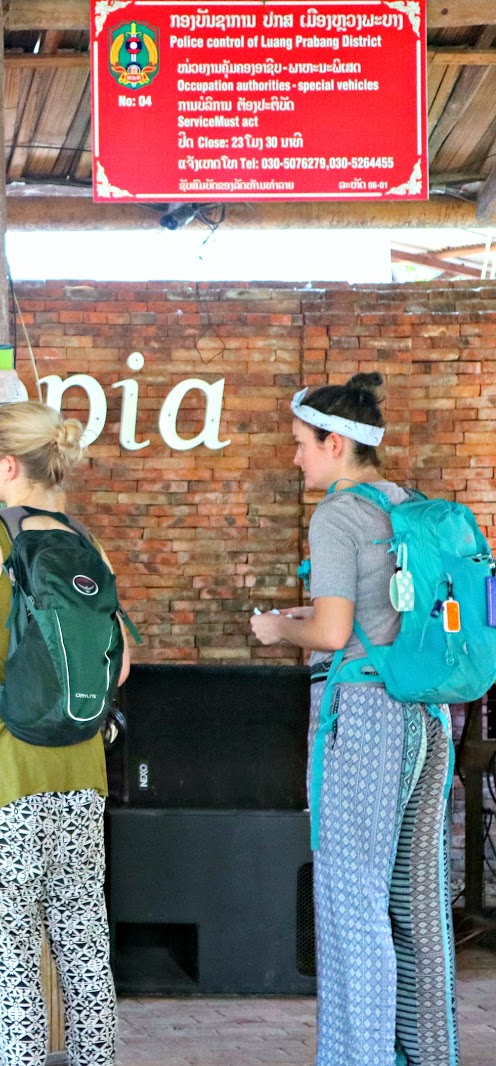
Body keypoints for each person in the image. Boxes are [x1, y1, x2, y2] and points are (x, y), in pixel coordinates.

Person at [250, 374, 458, 1066]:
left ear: (335, 444)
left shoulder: (338, 515)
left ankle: (360, 1058)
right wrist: (311, 617)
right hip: (429, 719)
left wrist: (279, 630)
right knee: (416, 903)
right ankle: (427, 1055)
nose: (296, 458)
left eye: (301, 444)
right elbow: (378, 617)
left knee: (352, 901)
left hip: (366, 719)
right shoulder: (405, 504)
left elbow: (334, 633)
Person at [0, 400, 127, 1066]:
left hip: (4, 772)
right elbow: (120, 661)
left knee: (12, 955)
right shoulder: (86, 541)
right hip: (80, 771)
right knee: (84, 947)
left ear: (10, 465)